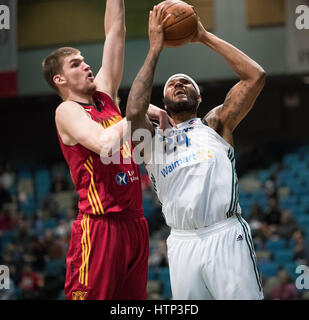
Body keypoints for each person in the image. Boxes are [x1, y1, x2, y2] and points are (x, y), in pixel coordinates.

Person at [126, 5, 266, 299]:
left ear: (199, 97)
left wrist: (202, 36)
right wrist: (154, 49)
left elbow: (255, 76)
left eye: (185, 82)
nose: (178, 83)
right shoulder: (152, 140)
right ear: (163, 103)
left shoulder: (215, 125)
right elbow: (133, 110)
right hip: (181, 242)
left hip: (225, 234)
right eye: (172, 83)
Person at [41, 0, 171, 300]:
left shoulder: (104, 96)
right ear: (59, 79)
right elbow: (104, 143)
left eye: (84, 60)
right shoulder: (67, 111)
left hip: (135, 223)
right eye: (75, 64)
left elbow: (115, 32)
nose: (86, 65)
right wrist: (136, 114)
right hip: (101, 228)